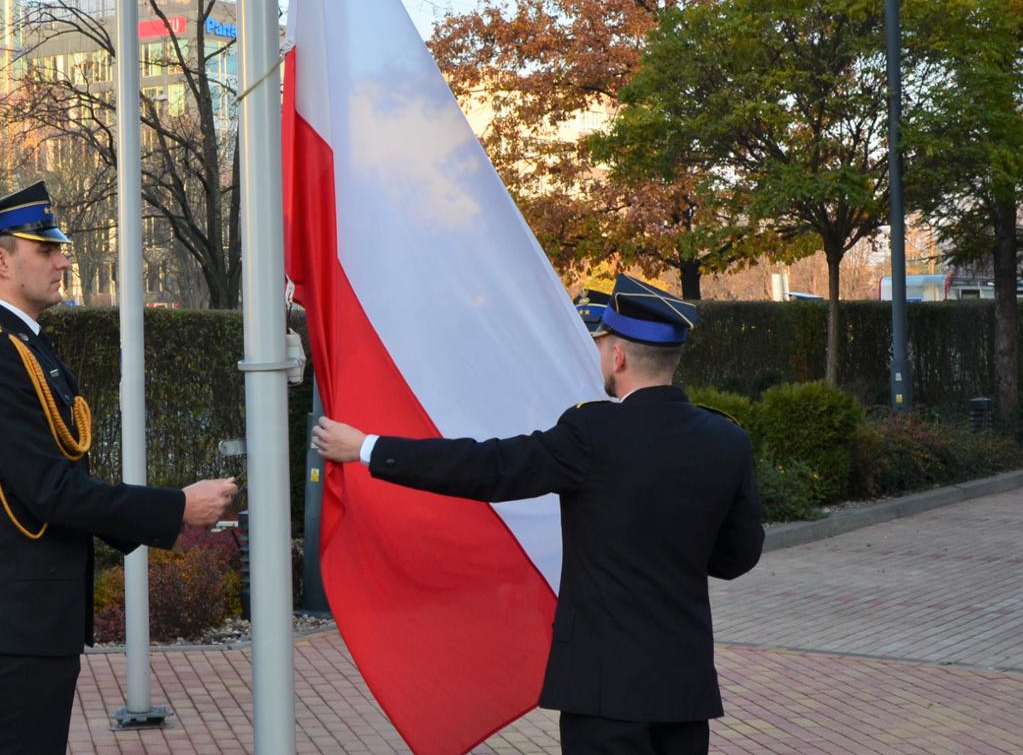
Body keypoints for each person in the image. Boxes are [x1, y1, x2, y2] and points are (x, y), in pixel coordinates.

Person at [313, 273, 764, 755]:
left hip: (602, 690)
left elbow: (489, 468)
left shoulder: (592, 433)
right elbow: (738, 556)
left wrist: (367, 448)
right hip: (683, 688)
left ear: (618, 356)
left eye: (602, 346)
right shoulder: (726, 440)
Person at [0, 181, 238, 755]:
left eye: (59, 248)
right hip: (17, 610)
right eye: (45, 250)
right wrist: (176, 508)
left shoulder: (20, 341)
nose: (62, 259)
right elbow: (51, 492)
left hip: (34, 607)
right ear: (0, 261)